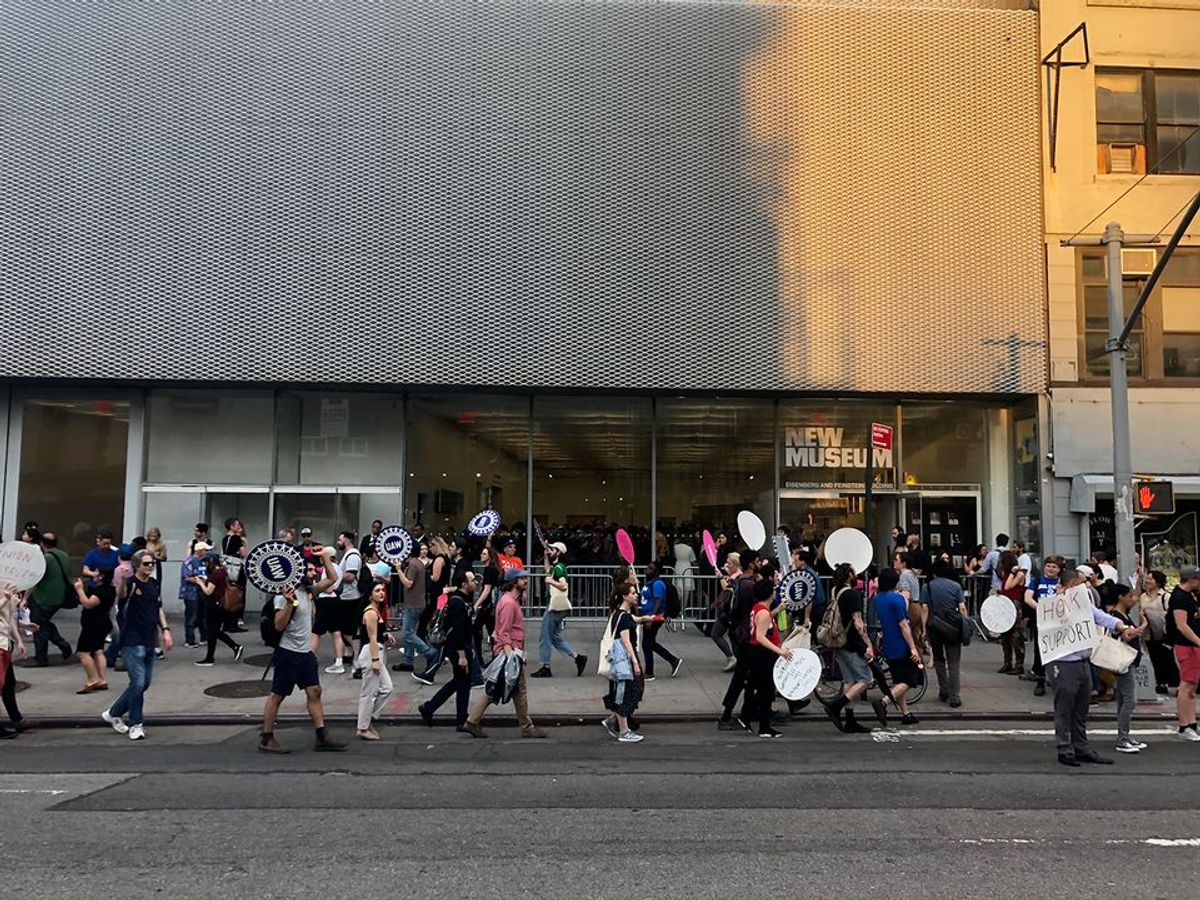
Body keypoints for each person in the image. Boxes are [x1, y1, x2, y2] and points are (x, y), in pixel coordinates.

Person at [1047, 567, 1137, 766]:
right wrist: (1060, 598)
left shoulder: (1083, 603)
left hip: (1083, 661)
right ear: (1069, 585)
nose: (1084, 587)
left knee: (1081, 708)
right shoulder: (1053, 604)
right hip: (1063, 662)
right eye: (1079, 584)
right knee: (1064, 707)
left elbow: (1099, 615)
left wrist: (1120, 626)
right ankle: (1064, 748)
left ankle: (1081, 746)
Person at [259, 549, 345, 753]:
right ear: (298, 572)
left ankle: (321, 736)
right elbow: (279, 625)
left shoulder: (309, 591)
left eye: (314, 570)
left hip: (305, 653)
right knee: (277, 695)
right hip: (288, 653)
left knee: (314, 692)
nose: (313, 573)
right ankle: (266, 737)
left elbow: (332, 578)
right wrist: (289, 604)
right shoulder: (285, 595)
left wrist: (325, 556)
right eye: (309, 571)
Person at [463, 568, 546, 739]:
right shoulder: (508, 603)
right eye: (522, 579)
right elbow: (505, 632)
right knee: (511, 689)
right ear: (514, 582)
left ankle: (473, 721)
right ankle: (526, 727)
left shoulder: (510, 601)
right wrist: (512, 658)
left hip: (510, 651)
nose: (526, 582)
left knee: (500, 689)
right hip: (509, 652)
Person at [101, 550, 173, 741]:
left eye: (152, 563)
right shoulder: (131, 583)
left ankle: (113, 712)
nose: (150, 566)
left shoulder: (154, 584)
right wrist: (123, 580)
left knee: (144, 683)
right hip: (132, 639)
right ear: (136, 566)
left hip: (150, 638)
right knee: (138, 683)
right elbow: (121, 595)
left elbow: (158, 608)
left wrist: (165, 630)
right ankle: (136, 724)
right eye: (146, 564)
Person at [821, 563, 886, 733]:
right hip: (852, 644)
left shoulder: (836, 591)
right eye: (854, 572)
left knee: (849, 680)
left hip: (838, 642)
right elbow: (858, 623)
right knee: (866, 679)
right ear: (850, 575)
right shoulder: (851, 595)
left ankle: (850, 720)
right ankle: (836, 707)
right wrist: (868, 645)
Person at [418, 568, 477, 731]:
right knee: (463, 682)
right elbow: (457, 629)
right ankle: (461, 719)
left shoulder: (464, 598)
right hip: (458, 647)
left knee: (460, 681)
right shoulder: (457, 602)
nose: (475, 583)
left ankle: (429, 708)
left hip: (461, 645)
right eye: (472, 581)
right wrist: (462, 655)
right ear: (464, 584)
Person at [874, 567, 922, 726]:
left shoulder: (878, 598)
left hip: (888, 642)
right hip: (900, 643)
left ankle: (905, 713)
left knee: (898, 679)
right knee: (909, 679)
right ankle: (883, 702)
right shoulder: (897, 599)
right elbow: (903, 624)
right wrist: (913, 647)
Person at [531, 542, 587, 678]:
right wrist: (545, 556)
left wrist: (551, 582)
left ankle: (546, 666)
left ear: (559, 552)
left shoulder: (559, 568)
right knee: (554, 636)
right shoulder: (556, 567)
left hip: (555, 607)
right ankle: (578, 658)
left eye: (551, 549)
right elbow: (547, 570)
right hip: (556, 607)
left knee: (545, 637)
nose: (549, 551)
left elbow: (563, 585)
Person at [747, 578, 794, 738]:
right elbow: (760, 636)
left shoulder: (759, 609)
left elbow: (763, 622)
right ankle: (764, 727)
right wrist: (780, 651)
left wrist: (777, 610)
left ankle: (750, 718)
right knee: (766, 691)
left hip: (758, 653)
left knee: (762, 689)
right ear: (769, 594)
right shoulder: (763, 612)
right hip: (763, 654)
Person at [1106, 583, 1148, 754]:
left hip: (1127, 661)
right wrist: (1143, 625)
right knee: (1130, 700)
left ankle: (1124, 736)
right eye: (1129, 596)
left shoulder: (1122, 614)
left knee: (1123, 700)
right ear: (1121, 597)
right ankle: (1122, 738)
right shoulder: (1117, 616)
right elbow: (1126, 636)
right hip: (1123, 661)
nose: (1133, 599)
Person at [601, 581, 645, 743]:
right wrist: (635, 662)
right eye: (633, 593)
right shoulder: (624, 617)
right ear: (625, 596)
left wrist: (650, 618)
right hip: (624, 660)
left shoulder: (619, 614)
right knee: (627, 692)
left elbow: (636, 619)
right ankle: (624, 731)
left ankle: (612, 720)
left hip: (621, 660)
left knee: (625, 691)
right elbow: (626, 642)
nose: (636, 595)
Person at [923, 557, 969, 708]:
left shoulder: (927, 586)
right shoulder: (955, 586)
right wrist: (965, 625)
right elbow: (962, 608)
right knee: (954, 663)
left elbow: (924, 609)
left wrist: (924, 629)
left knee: (939, 660)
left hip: (934, 627)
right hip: (953, 627)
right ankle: (955, 696)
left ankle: (943, 690)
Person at [355, 582, 397, 741]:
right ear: (370, 595)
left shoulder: (377, 611)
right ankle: (363, 727)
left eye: (383, 590)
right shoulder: (371, 613)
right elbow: (371, 638)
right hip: (371, 654)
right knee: (369, 692)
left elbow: (378, 633)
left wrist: (386, 634)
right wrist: (375, 660)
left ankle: (367, 719)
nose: (381, 593)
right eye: (377, 590)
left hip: (377, 651)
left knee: (386, 688)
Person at [26, 531, 74, 666]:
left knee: (38, 626)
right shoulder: (64, 556)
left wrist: (25, 598)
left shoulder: (45, 558)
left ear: (42, 543)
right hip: (59, 597)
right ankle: (60, 643)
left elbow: (34, 580)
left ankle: (42, 657)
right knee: (44, 622)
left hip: (43, 598)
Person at [397, 542, 441, 684]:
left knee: (407, 633)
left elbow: (408, 583)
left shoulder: (413, 565)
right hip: (418, 601)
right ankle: (408, 659)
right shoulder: (419, 564)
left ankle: (428, 653)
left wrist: (398, 570)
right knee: (411, 631)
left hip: (413, 603)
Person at [1167, 565, 1200, 741]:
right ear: (1192, 579)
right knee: (1186, 685)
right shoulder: (1179, 598)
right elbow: (1181, 625)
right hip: (1186, 646)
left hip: (1192, 645)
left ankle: (1192, 723)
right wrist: (1198, 641)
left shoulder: (1189, 596)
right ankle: (1184, 725)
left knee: (1192, 686)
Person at [1023, 555, 1063, 697]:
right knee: (1040, 651)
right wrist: (1041, 608)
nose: (1051, 569)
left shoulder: (1062, 582)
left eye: (1054, 567)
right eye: (1048, 566)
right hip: (1041, 620)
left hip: (1058, 621)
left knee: (1058, 651)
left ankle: (1056, 679)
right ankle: (1040, 680)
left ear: (1059, 569)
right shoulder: (1037, 580)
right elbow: (1027, 597)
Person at [193, 555, 243, 665]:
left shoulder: (215, 575)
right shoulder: (222, 572)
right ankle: (232, 647)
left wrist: (200, 582)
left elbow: (208, 591)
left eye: (206, 563)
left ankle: (213, 657)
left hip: (213, 606)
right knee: (214, 632)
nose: (205, 566)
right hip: (220, 605)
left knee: (212, 632)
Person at [72, 570, 115, 693]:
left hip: (94, 624)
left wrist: (79, 589)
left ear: (101, 576)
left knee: (83, 652)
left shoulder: (101, 591)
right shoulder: (111, 589)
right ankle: (102, 680)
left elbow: (88, 604)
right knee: (98, 651)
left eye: (96, 572)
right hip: (103, 622)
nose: (93, 574)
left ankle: (92, 679)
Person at [640, 562, 682, 681]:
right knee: (650, 643)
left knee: (647, 644)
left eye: (650, 568)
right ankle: (673, 660)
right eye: (647, 567)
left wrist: (651, 617)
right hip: (649, 616)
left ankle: (649, 672)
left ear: (657, 571)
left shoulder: (658, 583)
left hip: (655, 618)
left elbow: (658, 601)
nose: (647, 570)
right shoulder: (651, 583)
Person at [1139, 570, 1178, 696]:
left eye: (1151, 579)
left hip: (1164, 632)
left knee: (1168, 658)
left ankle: (1174, 683)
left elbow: (1171, 615)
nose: (1147, 581)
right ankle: (1160, 683)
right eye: (1147, 579)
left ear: (1158, 582)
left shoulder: (1165, 596)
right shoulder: (1143, 597)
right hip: (1150, 633)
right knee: (1155, 658)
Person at [0, 585, 28, 739]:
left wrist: (19, 641)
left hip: (4, 643)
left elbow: (8, 619)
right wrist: (7, 600)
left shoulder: (5, 592)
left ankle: (17, 719)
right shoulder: (5, 594)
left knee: (8, 683)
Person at [471, 547, 502, 667]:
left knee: (478, 630)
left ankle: (480, 657)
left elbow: (487, 590)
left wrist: (477, 604)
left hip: (488, 605)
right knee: (491, 630)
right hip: (492, 605)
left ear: (489, 556)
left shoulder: (489, 570)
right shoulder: (494, 570)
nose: (481, 555)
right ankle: (495, 657)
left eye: (484, 554)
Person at [997, 550, 1027, 675]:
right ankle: (1007, 662)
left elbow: (1008, 586)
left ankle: (1019, 664)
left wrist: (1012, 573)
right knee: (1005, 635)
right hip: (1006, 602)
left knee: (1016, 635)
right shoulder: (1006, 573)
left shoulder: (1018, 574)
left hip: (1015, 603)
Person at [179, 540, 211, 649]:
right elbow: (187, 577)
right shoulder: (189, 561)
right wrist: (199, 581)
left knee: (202, 615)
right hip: (191, 593)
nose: (206, 552)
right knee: (191, 617)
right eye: (205, 550)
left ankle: (204, 636)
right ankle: (190, 639)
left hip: (201, 592)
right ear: (199, 550)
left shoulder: (202, 561)